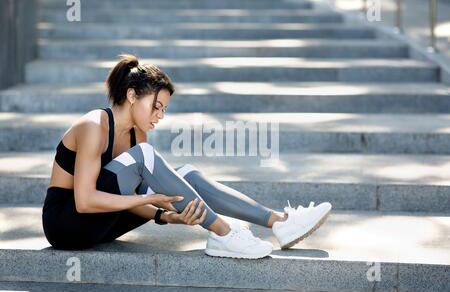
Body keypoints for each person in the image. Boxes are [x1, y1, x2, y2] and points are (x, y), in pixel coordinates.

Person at [42, 54, 332, 259]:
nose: (160, 116)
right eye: (156, 106)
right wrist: (147, 199)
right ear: (131, 96)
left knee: (187, 175)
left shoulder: (136, 134)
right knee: (147, 157)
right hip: (67, 226)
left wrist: (165, 216)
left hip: (101, 226)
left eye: (164, 109)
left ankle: (279, 222)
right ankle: (224, 233)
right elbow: (85, 201)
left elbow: (124, 200)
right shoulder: (94, 125)